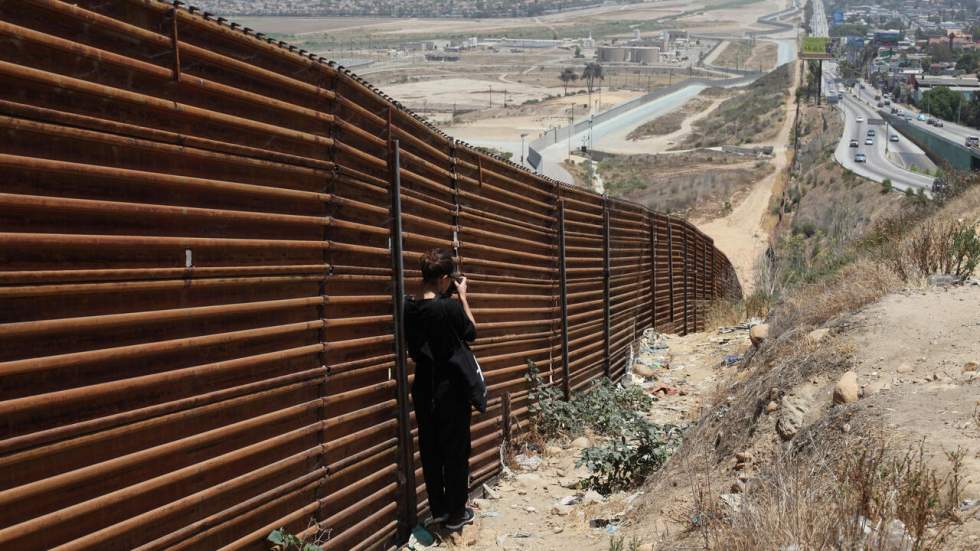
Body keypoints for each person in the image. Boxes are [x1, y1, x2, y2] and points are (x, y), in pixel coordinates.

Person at [404, 248, 478, 531]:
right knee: (456, 450)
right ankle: (458, 514)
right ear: (445, 279)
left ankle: (439, 511)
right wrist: (463, 297)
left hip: (423, 386)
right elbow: (472, 331)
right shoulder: (448, 308)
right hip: (450, 386)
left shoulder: (408, 308)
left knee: (431, 448)